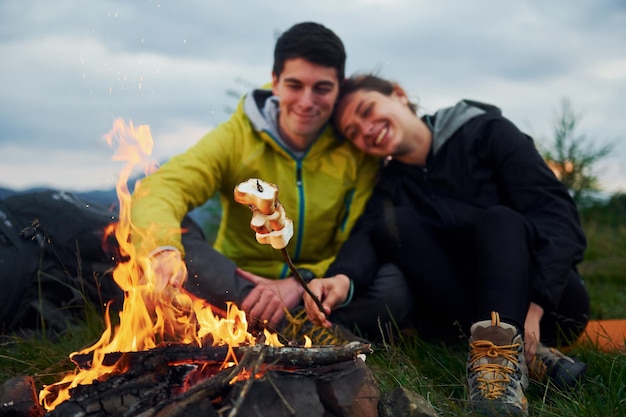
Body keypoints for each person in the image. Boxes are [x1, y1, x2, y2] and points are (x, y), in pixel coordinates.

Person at [303, 74, 590, 416]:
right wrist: (341, 279)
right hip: (460, 312)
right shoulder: (393, 184)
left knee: (500, 219)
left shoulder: (486, 132)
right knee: (396, 224)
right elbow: (365, 238)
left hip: (549, 300)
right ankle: (512, 363)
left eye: (367, 111)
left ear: (399, 94)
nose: (364, 129)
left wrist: (535, 307)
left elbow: (556, 215)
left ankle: (504, 359)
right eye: (353, 132)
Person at [130, 24, 413, 338]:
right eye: (294, 85)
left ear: (339, 87)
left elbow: (360, 237)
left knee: (393, 284)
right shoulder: (237, 136)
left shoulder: (357, 149)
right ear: (275, 82)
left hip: (315, 286)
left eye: (321, 88)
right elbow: (163, 187)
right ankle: (289, 323)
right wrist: (162, 253)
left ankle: (272, 323)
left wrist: (300, 281)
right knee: (167, 232)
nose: (307, 102)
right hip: (236, 283)